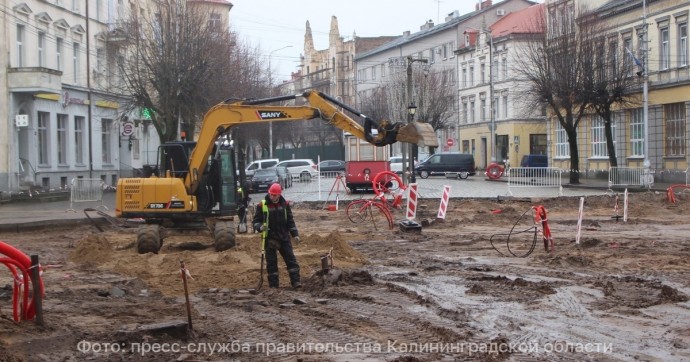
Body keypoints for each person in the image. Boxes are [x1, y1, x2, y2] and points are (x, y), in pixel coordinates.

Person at [252, 183, 301, 289]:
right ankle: (274, 286)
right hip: (270, 238)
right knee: (272, 264)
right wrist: (260, 227)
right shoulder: (262, 205)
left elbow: (290, 221)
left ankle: (296, 282)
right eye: (271, 194)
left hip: (284, 237)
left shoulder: (284, 204)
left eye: (274, 195)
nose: (272, 196)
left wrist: (295, 234)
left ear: (279, 195)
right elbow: (255, 221)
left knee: (291, 260)